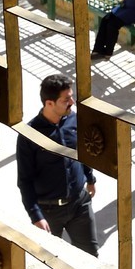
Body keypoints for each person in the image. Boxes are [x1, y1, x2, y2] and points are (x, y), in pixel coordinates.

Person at [16, 73, 99, 255]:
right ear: (49, 103)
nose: (72, 103)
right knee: (51, 261)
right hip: (49, 211)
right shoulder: (29, 135)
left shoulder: (74, 121)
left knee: (90, 256)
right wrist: (36, 216)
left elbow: (82, 153)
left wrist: (90, 179)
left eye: (71, 97)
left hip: (79, 203)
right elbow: (25, 180)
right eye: (66, 99)